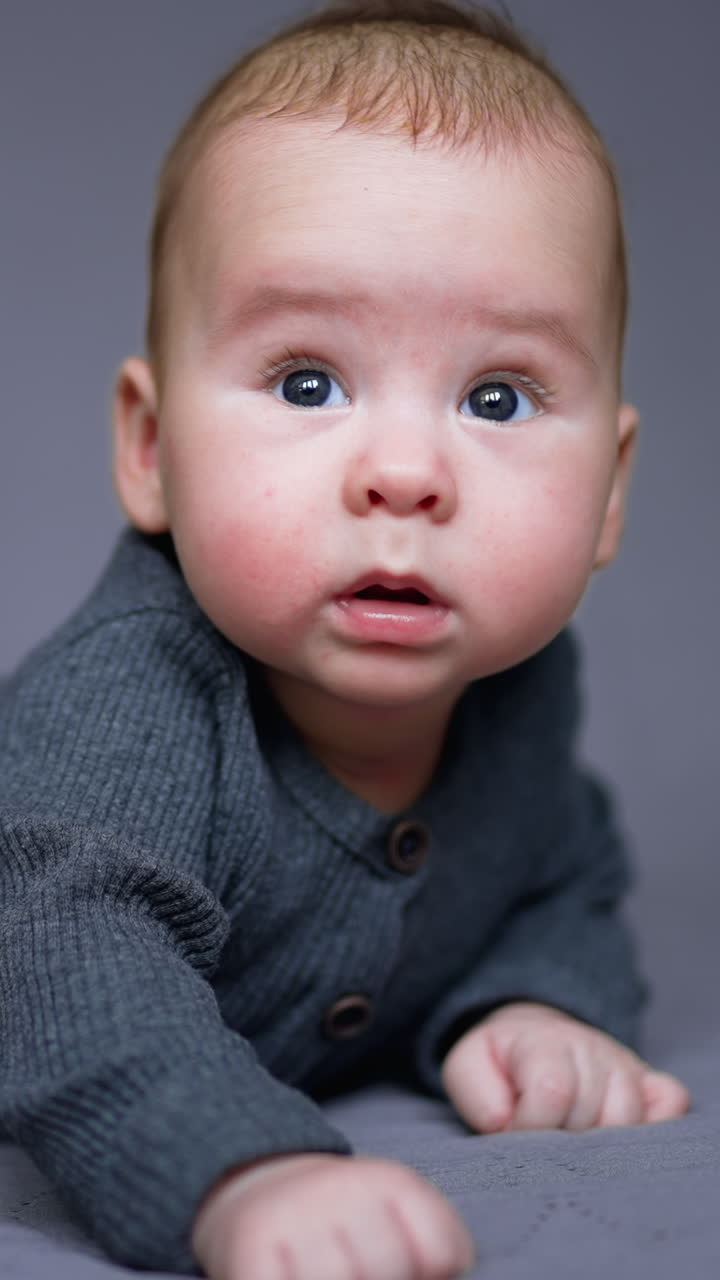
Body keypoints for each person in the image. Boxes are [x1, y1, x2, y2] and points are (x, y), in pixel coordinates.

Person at [0, 2, 691, 1277]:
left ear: (607, 492)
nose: (407, 471)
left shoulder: (521, 691)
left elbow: (564, 865)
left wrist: (537, 998)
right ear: (151, 451)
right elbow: (60, 953)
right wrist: (239, 1169)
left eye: (498, 396)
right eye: (308, 379)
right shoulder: (133, 700)